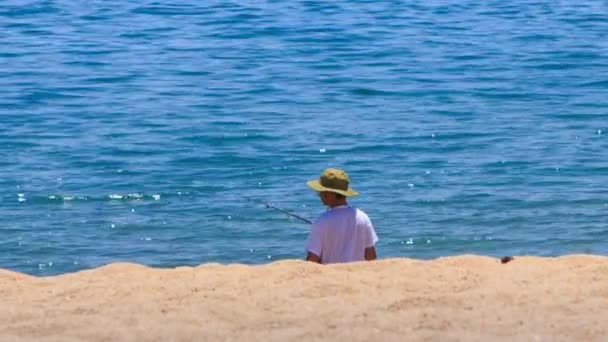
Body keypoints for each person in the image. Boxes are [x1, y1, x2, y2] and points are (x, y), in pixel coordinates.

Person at [305, 168, 378, 264]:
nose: (319, 195)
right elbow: (371, 256)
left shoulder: (321, 221)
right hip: (357, 275)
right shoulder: (363, 217)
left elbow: (312, 260)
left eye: (320, 192)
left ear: (328, 193)